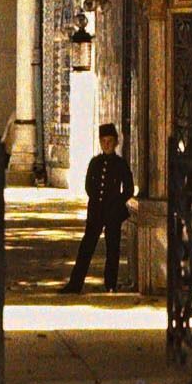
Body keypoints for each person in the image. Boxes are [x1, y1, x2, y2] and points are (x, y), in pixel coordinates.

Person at [64, 123, 134, 293]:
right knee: (87, 246)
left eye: (110, 141)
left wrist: (117, 202)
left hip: (113, 212)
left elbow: (129, 189)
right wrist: (96, 200)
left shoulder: (121, 164)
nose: (107, 144)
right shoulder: (95, 162)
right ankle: (75, 284)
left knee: (112, 248)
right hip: (96, 211)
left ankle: (110, 283)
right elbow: (89, 185)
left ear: (116, 142)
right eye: (104, 141)